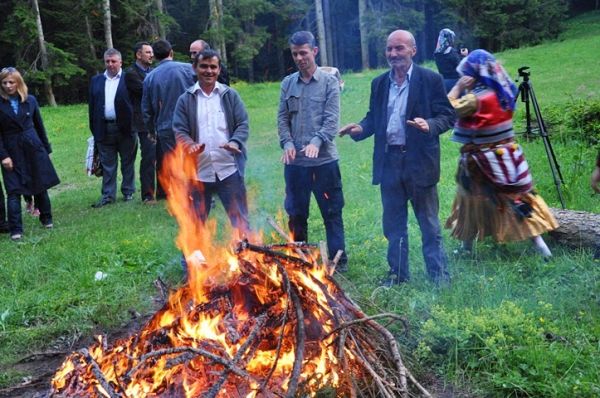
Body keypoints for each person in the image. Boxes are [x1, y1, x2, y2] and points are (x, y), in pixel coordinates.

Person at [339, 30, 455, 286]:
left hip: (420, 162)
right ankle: (398, 274)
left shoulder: (430, 79)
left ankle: (439, 277)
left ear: (413, 50)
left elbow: (448, 115)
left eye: (399, 48)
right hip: (389, 162)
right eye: (390, 49)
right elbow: (373, 118)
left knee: (429, 224)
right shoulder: (379, 83)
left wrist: (431, 124)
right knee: (393, 225)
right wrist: (360, 129)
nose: (393, 54)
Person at [444, 49, 558, 258]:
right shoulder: (505, 91)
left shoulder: (474, 99)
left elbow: (448, 106)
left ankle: (466, 249)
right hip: (509, 155)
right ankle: (543, 250)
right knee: (516, 199)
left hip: (479, 161)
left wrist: (458, 87)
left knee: (470, 201)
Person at [277, 31, 348, 272]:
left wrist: (317, 142)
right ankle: (299, 259)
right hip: (296, 165)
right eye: (295, 53)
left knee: (332, 212)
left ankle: (339, 261)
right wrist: (287, 143)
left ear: (314, 52)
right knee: (296, 215)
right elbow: (282, 119)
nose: (299, 58)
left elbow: (331, 119)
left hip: (325, 162)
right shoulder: (288, 84)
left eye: (303, 53)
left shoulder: (329, 83)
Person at [172, 49, 250, 233]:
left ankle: (249, 260)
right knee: (194, 226)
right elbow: (179, 129)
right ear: (195, 68)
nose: (209, 71)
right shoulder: (186, 99)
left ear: (219, 69)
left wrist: (235, 142)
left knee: (241, 223)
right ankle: (191, 262)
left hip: (228, 169)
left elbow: (242, 124)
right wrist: (190, 145)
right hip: (198, 172)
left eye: (213, 67)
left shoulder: (230, 95)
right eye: (204, 66)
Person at [0, 67, 59, 240]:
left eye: (11, 82)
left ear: (18, 83)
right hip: (11, 149)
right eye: (4, 83)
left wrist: (46, 149)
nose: (8, 86)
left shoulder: (30, 100)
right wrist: (3, 155)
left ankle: (46, 218)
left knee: (40, 184)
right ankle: (16, 229)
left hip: (33, 147)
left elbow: (39, 126)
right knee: (13, 189)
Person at [142, 39, 195, 199]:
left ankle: (182, 198)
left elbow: (146, 109)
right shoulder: (189, 69)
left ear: (155, 57)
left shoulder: (150, 78)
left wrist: (151, 130)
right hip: (191, 124)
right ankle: (200, 196)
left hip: (166, 128)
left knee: (175, 163)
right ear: (171, 52)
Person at [89, 48, 137, 208]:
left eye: (113, 61)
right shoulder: (96, 81)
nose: (110, 64)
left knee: (127, 161)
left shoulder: (128, 79)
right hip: (104, 128)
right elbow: (92, 106)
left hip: (126, 127)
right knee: (108, 164)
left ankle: (128, 191)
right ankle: (108, 195)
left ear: (120, 62)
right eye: (107, 61)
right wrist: (94, 129)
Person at [125, 41, 158, 204]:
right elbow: (146, 90)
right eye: (148, 52)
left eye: (152, 52)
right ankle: (148, 194)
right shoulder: (131, 73)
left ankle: (164, 191)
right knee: (149, 157)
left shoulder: (153, 71)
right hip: (143, 123)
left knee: (163, 157)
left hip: (158, 120)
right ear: (138, 54)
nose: (151, 55)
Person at [433, 28, 468, 93]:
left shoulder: (436, 53)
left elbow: (447, 57)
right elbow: (460, 66)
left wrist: (459, 52)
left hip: (443, 83)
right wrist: (465, 56)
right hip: (455, 83)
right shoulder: (452, 52)